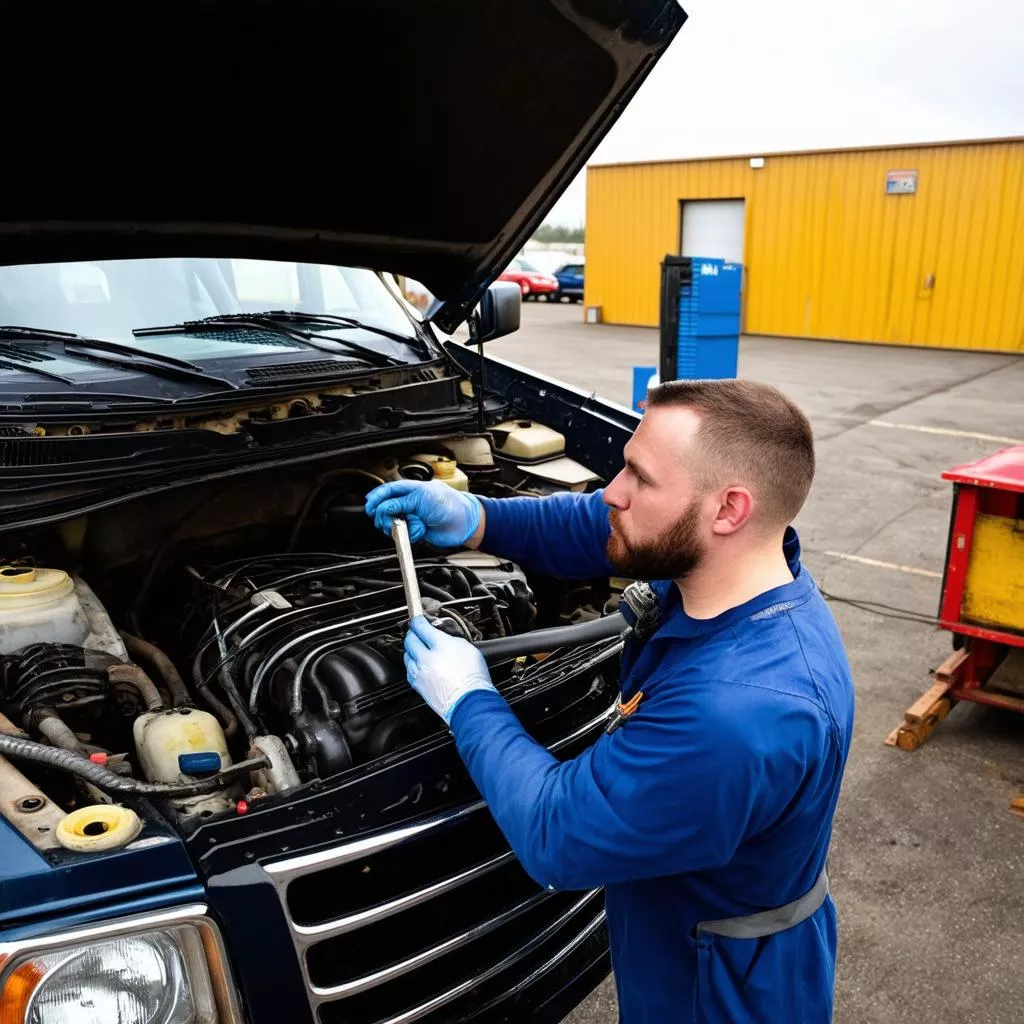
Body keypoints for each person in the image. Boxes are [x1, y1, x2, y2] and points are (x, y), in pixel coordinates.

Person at [365, 379, 855, 1023]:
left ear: (729, 510)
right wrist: (477, 518)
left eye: (639, 479)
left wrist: (467, 700)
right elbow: (595, 524)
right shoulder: (746, 570)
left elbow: (557, 835)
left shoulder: (734, 713)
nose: (613, 492)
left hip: (719, 993)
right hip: (687, 935)